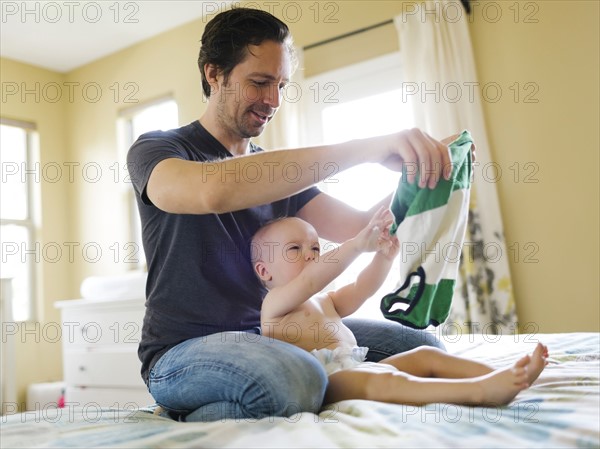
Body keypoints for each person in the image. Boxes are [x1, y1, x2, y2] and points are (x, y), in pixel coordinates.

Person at [127, 7, 468, 422]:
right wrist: (370, 148)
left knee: (424, 348)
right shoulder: (158, 150)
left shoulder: (277, 174)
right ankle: (186, 410)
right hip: (183, 350)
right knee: (299, 379)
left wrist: (423, 173)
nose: (273, 100)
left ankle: (282, 394)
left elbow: (362, 226)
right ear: (213, 74)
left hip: (275, 334)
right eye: (259, 82)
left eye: (281, 85)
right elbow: (212, 190)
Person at [253, 212, 548, 406]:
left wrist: (383, 258)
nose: (311, 255)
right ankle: (479, 391)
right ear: (264, 270)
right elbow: (308, 281)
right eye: (295, 249)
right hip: (325, 384)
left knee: (426, 355)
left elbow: (360, 289)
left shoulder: (324, 299)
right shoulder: (275, 305)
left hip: (356, 368)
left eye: (315, 248)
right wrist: (356, 245)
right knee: (383, 381)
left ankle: (506, 376)